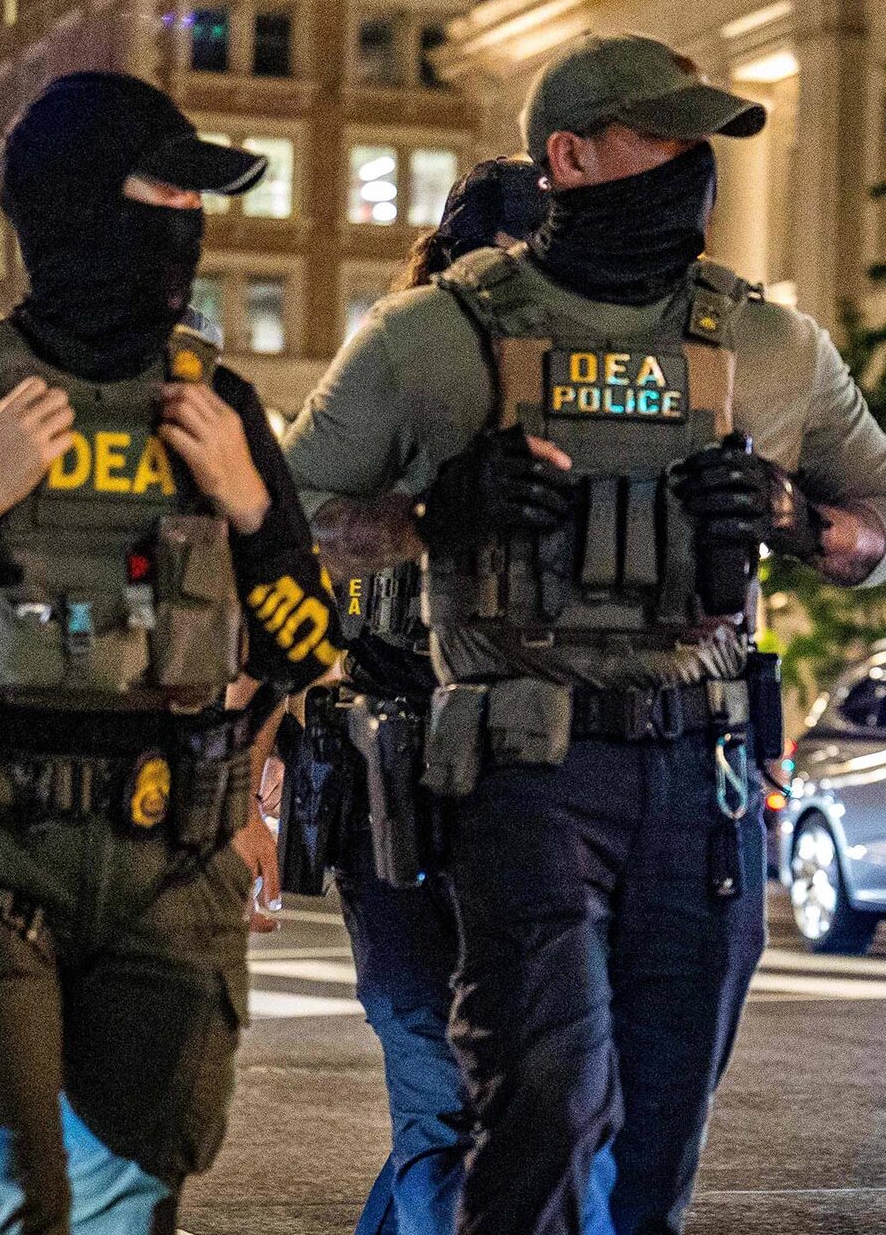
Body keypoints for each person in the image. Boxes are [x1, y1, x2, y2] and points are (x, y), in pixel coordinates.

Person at [283, 33, 886, 1235]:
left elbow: (877, 525)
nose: (692, 167)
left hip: (702, 778)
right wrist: (426, 517)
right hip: (519, 769)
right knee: (544, 1101)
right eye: (663, 139)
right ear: (568, 155)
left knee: (657, 1135)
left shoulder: (771, 345)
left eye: (699, 143)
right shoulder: (430, 337)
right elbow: (277, 526)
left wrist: (797, 521)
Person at [0, 70, 340, 1235]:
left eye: (198, 202)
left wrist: (250, 512)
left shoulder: (219, 406)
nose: (184, 225)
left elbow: (307, 644)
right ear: (77, 203)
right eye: (162, 191)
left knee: (133, 1198)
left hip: (168, 871)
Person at [302, 158, 555, 1235]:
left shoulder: (581, 380)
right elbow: (290, 535)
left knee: (510, 1104)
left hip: (537, 778)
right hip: (393, 784)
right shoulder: (397, 368)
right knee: (439, 1093)